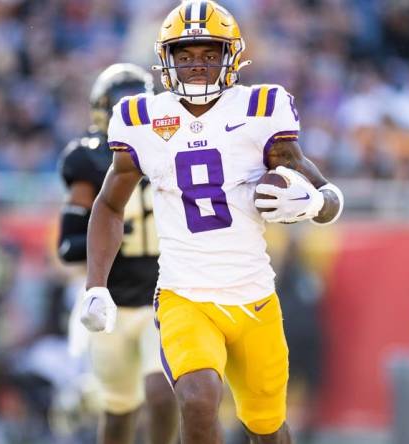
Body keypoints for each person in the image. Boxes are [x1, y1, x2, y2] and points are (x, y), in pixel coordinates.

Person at [80, 2, 344, 443]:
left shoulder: (262, 110)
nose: (196, 66)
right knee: (198, 400)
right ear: (166, 60)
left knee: (266, 427)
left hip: (254, 296)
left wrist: (318, 202)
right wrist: (95, 284)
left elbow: (325, 191)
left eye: (208, 54)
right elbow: (108, 205)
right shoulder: (142, 120)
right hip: (185, 296)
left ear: (231, 56)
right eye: (185, 56)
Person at [58, 63, 178, 444]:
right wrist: (114, 236)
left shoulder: (173, 148)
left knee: (163, 395)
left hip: (162, 302)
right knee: (119, 409)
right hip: (110, 305)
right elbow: (68, 246)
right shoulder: (89, 158)